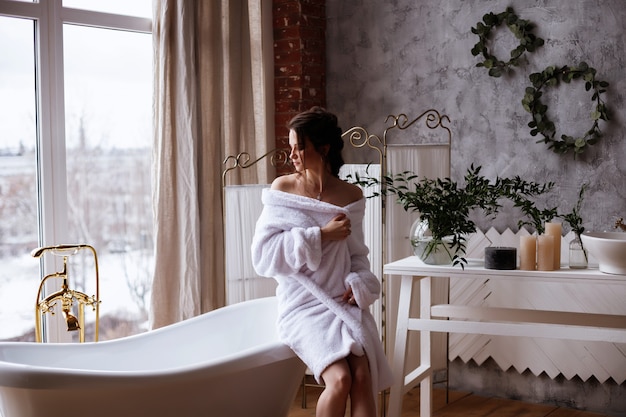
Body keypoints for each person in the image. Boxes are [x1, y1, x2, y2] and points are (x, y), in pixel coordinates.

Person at [251, 107, 393, 417]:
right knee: (340, 379)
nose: (293, 155)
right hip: (303, 304)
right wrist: (320, 235)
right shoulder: (283, 189)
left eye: (299, 147)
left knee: (361, 377)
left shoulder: (351, 195)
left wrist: (359, 285)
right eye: (290, 147)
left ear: (324, 148)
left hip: (341, 302)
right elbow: (263, 255)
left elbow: (357, 257)